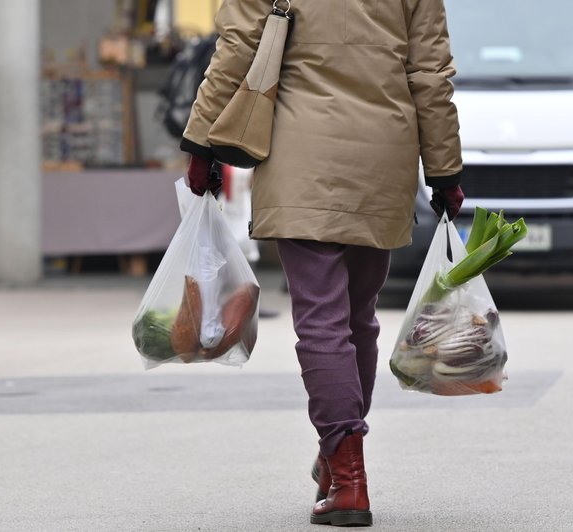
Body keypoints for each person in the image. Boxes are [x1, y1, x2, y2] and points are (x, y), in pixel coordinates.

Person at [179, 0, 463, 526]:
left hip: (299, 156)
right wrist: (444, 170)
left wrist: (201, 142)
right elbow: (430, 71)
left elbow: (238, 47)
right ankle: (340, 460)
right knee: (358, 319)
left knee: (321, 322)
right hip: (384, 155)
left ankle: (348, 477)